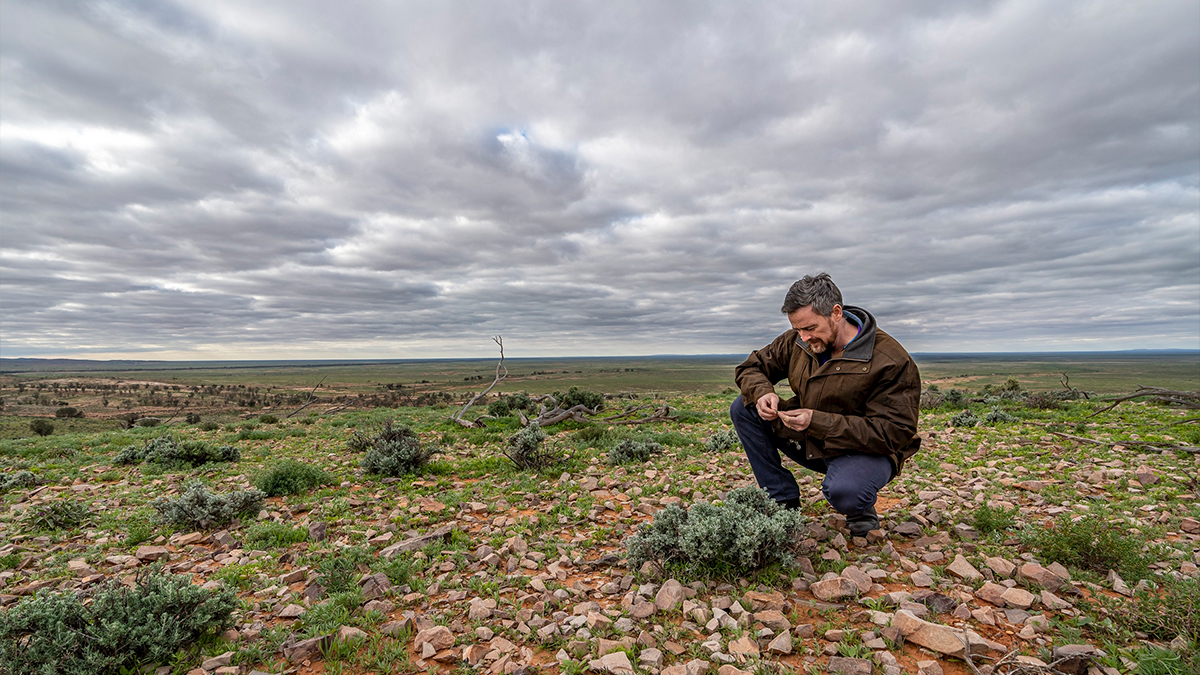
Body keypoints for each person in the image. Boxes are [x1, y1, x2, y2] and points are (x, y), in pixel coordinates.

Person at [730, 273, 921, 537]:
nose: (804, 337)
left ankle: (859, 506)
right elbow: (752, 367)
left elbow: (894, 433)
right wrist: (763, 392)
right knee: (745, 407)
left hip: (866, 450)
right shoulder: (797, 340)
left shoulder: (890, 360)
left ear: (836, 312)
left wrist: (815, 421)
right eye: (798, 329)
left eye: (810, 328)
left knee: (846, 492)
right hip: (813, 436)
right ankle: (782, 502)